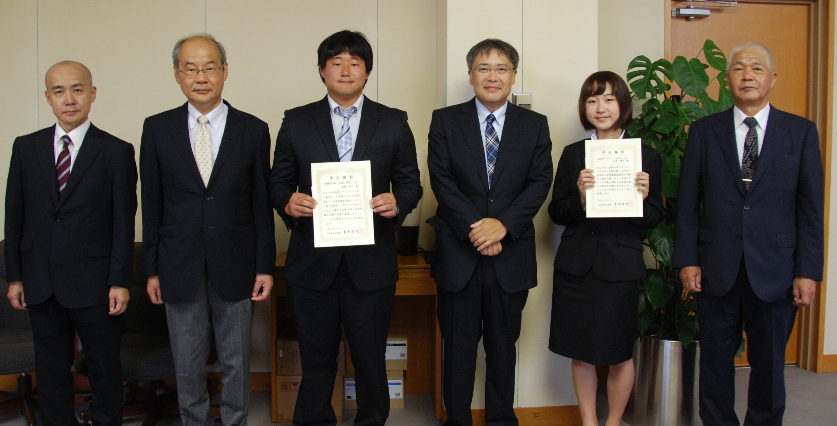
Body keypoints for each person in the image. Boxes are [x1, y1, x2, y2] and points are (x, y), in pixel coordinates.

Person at [269, 30, 422, 426]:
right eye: (336, 62)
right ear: (322, 71)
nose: (346, 70)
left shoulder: (392, 121)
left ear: (367, 71)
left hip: (370, 264)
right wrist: (288, 201)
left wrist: (398, 202)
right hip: (311, 262)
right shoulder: (296, 120)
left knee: (370, 358)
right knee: (317, 358)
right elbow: (277, 181)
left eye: (355, 62)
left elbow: (410, 183)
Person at [673, 42, 823, 426]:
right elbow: (689, 203)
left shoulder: (801, 132)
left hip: (776, 268)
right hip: (717, 267)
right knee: (716, 362)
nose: (747, 75)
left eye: (757, 68)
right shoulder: (705, 131)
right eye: (739, 68)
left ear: (772, 78)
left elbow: (810, 209)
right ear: (727, 79)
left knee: (770, 364)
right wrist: (688, 259)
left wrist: (808, 271)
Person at [140, 34, 275, 426]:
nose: (201, 76)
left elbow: (260, 205)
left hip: (237, 261)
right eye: (191, 68)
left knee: (236, 358)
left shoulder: (253, 129)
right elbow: (152, 204)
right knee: (187, 360)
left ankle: (235, 420)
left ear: (225, 71)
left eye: (209, 67)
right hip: (177, 262)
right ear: (177, 75)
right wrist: (152, 267)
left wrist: (264, 265)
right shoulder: (157, 128)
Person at [426, 38, 553, 426]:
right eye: (483, 68)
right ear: (470, 75)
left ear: (513, 75)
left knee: (503, 347)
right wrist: (477, 230)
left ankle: (501, 419)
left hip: (510, 254)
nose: (492, 76)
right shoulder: (445, 120)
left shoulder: (534, 125)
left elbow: (539, 182)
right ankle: (458, 420)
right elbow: (441, 181)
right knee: (458, 347)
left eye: (501, 68)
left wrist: (504, 226)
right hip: (458, 255)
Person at [5, 60, 137, 426]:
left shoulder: (115, 151)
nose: (69, 99)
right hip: (41, 280)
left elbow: (123, 224)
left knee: (104, 369)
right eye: (59, 91)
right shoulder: (26, 148)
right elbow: (14, 217)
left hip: (96, 284)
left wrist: (120, 281)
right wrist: (15, 276)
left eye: (77, 90)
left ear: (92, 94)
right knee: (49, 370)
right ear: (48, 97)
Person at [548, 71, 663, 426]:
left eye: (609, 99)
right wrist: (581, 198)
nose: (601, 107)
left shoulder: (646, 155)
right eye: (593, 99)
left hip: (619, 267)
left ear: (623, 104)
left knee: (618, 353)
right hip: (576, 266)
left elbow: (655, 217)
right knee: (581, 353)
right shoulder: (573, 154)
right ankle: (588, 421)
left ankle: (612, 421)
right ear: (585, 107)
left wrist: (643, 198)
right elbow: (556, 212)